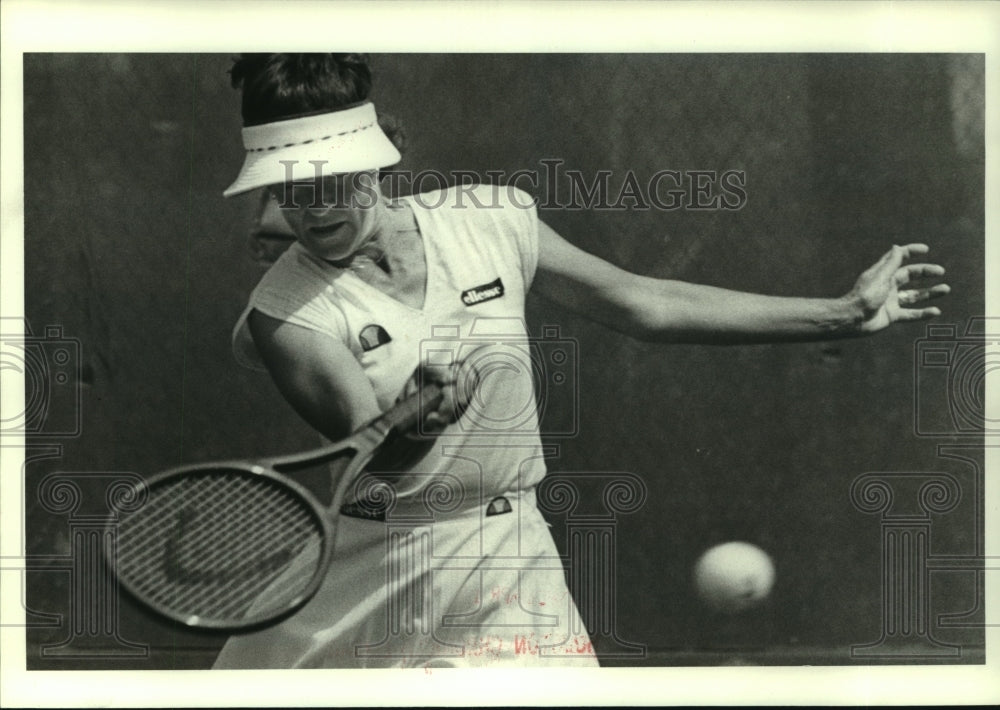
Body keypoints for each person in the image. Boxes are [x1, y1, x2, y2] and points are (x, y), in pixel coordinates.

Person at [213, 54, 948, 669]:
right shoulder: (284, 312)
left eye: (331, 180)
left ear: (380, 158)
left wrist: (842, 314)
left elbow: (644, 303)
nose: (313, 208)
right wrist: (418, 422)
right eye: (290, 188)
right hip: (374, 573)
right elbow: (373, 453)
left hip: (510, 563)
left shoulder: (490, 221)